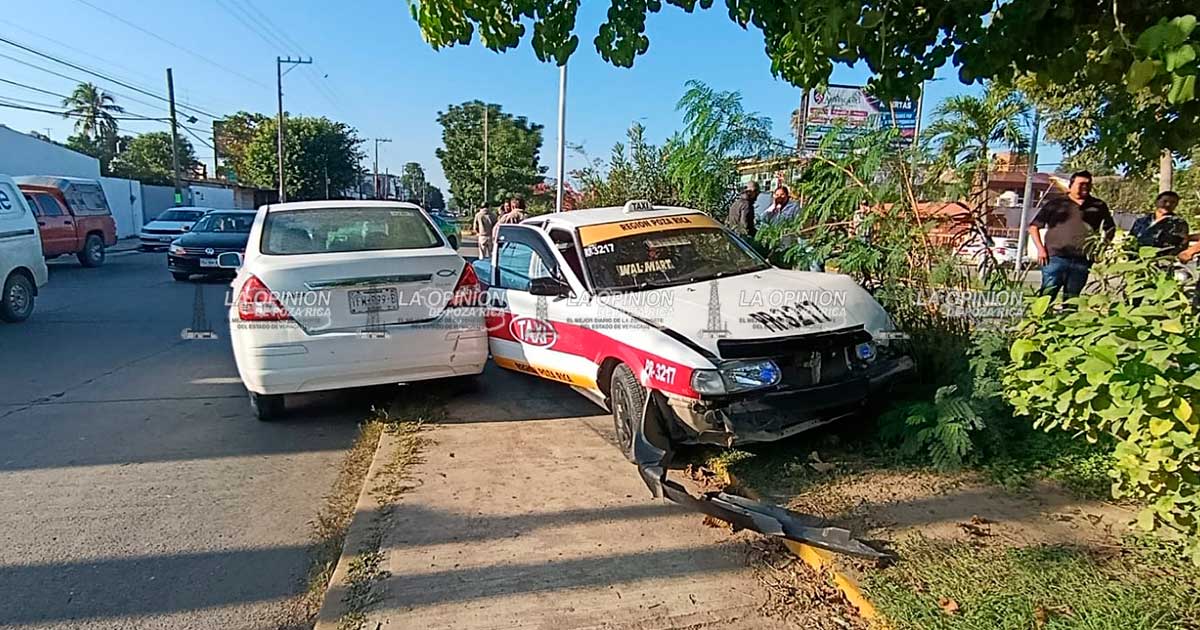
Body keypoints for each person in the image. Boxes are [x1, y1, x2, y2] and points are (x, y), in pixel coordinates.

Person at [1028, 170, 1115, 300]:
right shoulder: (1056, 204)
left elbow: (1110, 228)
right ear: (1071, 185)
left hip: (1082, 260)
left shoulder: (1098, 205)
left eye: (1088, 184)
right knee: (1046, 296)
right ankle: (1041, 319)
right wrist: (1041, 249)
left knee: (1072, 299)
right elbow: (1034, 227)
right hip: (1055, 257)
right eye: (1081, 184)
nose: (1085, 187)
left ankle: (1066, 319)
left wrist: (1101, 248)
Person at [1130, 191, 1189, 256]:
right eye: (1165, 201)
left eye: (1173, 202)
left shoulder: (1179, 223)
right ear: (1157, 202)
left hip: (1162, 260)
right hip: (1137, 258)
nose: (1168, 204)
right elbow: (1131, 238)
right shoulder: (1141, 221)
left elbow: (1183, 244)